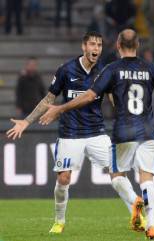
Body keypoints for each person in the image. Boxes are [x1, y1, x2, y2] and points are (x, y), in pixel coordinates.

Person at [38, 29, 154, 239]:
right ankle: (151, 224)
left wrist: (59, 109)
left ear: (117, 45)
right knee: (147, 179)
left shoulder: (111, 69)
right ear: (138, 45)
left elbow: (90, 95)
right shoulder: (150, 68)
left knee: (117, 176)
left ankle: (135, 203)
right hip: (147, 130)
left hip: (123, 131)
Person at [6, 31, 112, 234]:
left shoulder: (105, 72)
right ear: (84, 46)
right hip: (70, 132)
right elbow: (48, 100)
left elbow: (115, 98)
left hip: (96, 131)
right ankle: (59, 221)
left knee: (118, 170)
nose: (96, 48)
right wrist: (27, 122)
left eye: (99, 45)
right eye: (92, 44)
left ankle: (139, 216)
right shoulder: (66, 70)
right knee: (63, 178)